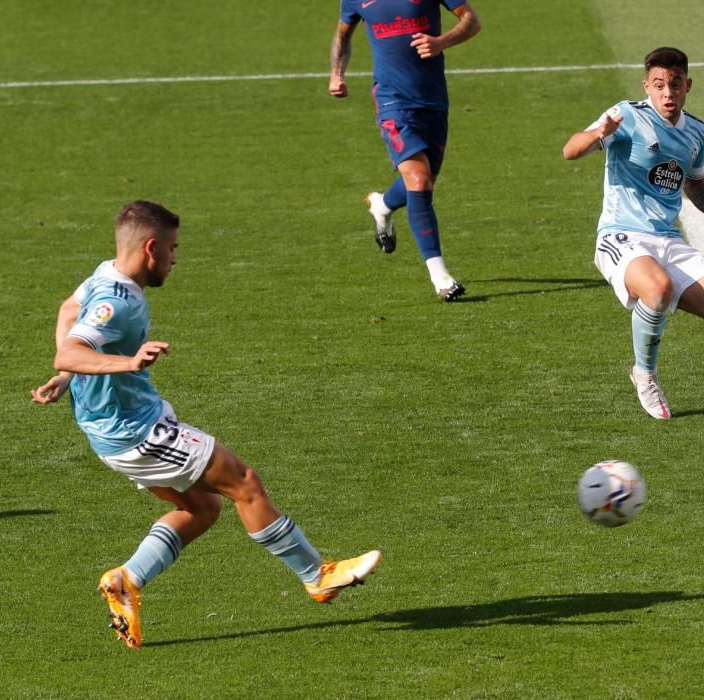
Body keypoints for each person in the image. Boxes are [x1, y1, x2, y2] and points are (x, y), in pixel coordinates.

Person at [31, 201, 381, 648]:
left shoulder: (105, 273)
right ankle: (318, 575)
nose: (177, 258)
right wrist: (120, 361)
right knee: (245, 484)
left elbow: (66, 312)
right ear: (151, 247)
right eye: (173, 249)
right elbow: (70, 349)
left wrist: (70, 377)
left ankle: (126, 581)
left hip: (114, 430)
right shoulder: (115, 303)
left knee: (203, 508)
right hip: (135, 432)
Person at [562, 47, 704, 423]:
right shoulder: (627, 116)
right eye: (660, 85)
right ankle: (644, 373)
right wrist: (600, 133)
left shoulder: (696, 131)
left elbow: (694, 181)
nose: (668, 93)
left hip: (666, 239)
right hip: (622, 235)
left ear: (687, 86)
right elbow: (570, 151)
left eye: (675, 85)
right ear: (646, 85)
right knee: (658, 289)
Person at [328, 0, 481, 302]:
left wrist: (441, 42)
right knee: (419, 180)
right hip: (392, 102)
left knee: (422, 185)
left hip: (434, 102)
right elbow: (343, 34)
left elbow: (471, 21)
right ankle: (442, 278)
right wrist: (337, 73)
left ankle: (383, 205)